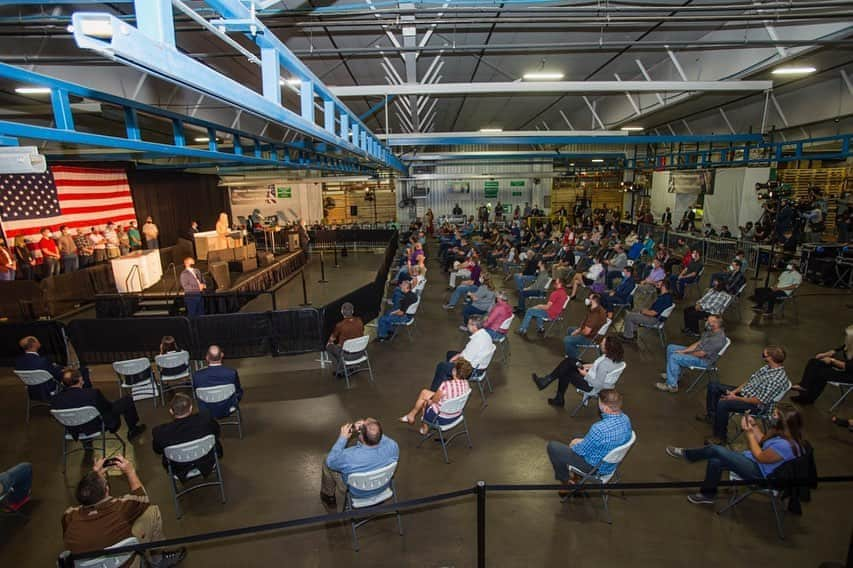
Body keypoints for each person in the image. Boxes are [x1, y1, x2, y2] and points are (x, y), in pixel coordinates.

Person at [667, 404, 803, 505]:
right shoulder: (783, 434)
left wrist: (749, 434)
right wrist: (754, 426)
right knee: (715, 460)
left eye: (775, 415)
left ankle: (686, 454)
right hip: (756, 464)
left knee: (716, 450)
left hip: (760, 475)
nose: (771, 416)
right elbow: (763, 441)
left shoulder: (785, 446)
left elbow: (760, 456)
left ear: (784, 421)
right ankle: (707, 495)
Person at [63, 456, 187, 567]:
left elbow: (87, 496)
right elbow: (143, 499)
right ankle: (157, 559)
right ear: (107, 490)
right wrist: (130, 471)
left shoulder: (69, 516)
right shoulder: (120, 509)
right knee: (152, 511)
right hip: (125, 563)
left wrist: (95, 475)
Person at [699, 345, 790, 445]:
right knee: (713, 386)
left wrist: (735, 398)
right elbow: (750, 381)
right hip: (748, 393)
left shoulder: (776, 379)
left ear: (770, 358)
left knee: (723, 403)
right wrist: (734, 392)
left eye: (764, 355)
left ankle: (720, 438)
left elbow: (759, 401)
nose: (762, 356)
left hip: (757, 406)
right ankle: (713, 416)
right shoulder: (768, 367)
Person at [546, 389, 632, 494]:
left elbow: (580, 451)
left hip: (595, 467)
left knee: (553, 447)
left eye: (599, 402)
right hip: (611, 461)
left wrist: (574, 444)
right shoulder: (626, 419)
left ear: (605, 408)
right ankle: (576, 477)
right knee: (578, 435)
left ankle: (566, 482)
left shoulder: (599, 429)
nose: (598, 405)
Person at [320, 418, 399, 508]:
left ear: (361, 437)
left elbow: (331, 462)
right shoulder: (393, 447)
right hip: (382, 488)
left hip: (357, 493)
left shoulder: (348, 457)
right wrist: (371, 429)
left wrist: (342, 438)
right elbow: (379, 436)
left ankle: (328, 495)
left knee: (326, 460)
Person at [52, 368, 147, 440]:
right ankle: (133, 430)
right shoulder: (92, 393)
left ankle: (87, 444)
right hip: (97, 425)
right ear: (80, 379)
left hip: (74, 430)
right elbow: (107, 408)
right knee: (127, 400)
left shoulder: (56, 399)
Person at [533, 336, 625, 407]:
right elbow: (597, 365)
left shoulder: (605, 364)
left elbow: (598, 384)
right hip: (594, 375)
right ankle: (550, 385)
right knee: (570, 361)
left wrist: (584, 374)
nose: (601, 343)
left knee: (566, 370)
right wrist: (584, 366)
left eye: (603, 343)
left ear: (608, 348)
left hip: (591, 386)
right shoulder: (616, 358)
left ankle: (551, 387)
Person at [152, 393, 222, 482]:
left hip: (178, 468)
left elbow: (157, 450)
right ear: (191, 408)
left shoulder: (160, 433)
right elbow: (217, 433)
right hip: (207, 461)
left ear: (171, 411)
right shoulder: (206, 420)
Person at [656, 314, 727, 393]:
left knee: (674, 357)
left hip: (704, 360)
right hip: (698, 352)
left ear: (716, 324)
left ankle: (671, 385)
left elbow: (701, 354)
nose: (707, 322)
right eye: (707, 320)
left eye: (709, 321)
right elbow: (698, 343)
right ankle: (676, 374)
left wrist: (685, 354)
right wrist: (684, 351)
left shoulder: (718, 339)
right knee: (671, 348)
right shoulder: (711, 331)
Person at [400, 358, 473, 434]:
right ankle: (411, 415)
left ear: (454, 371)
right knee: (424, 393)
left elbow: (434, 400)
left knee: (425, 401)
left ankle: (424, 429)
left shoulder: (446, 385)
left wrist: (429, 401)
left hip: (441, 418)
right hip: (456, 415)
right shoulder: (466, 384)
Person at [790, 324, 853, 404]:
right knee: (814, 362)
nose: (845, 337)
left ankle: (807, 397)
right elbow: (839, 349)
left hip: (850, 375)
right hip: (844, 366)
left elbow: (849, 367)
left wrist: (832, 360)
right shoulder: (849, 344)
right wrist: (825, 354)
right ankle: (803, 386)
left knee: (822, 373)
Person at [15, 335, 91, 398]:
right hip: (49, 388)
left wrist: (56, 367)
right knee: (82, 371)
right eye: (37, 340)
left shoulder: (18, 361)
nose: (39, 342)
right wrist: (65, 369)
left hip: (33, 390)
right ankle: (85, 397)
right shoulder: (42, 361)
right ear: (34, 344)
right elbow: (57, 374)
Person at [430, 315, 492, 390]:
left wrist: (453, 360)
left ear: (474, 327)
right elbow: (467, 353)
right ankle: (450, 380)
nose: (467, 325)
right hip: (479, 365)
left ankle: (434, 391)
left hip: (472, 370)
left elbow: (465, 360)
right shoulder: (485, 335)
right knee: (450, 353)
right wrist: (456, 357)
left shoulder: (476, 341)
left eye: (469, 324)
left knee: (441, 366)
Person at [193, 345, 243, 419]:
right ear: (222, 355)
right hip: (228, 407)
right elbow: (238, 391)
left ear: (207, 357)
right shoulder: (231, 373)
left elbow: (196, 393)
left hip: (206, 410)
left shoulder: (197, 376)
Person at [563, 293, 607, 359]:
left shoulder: (595, 315)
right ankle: (572, 349)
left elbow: (586, 332)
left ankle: (574, 357)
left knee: (567, 339)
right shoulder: (599, 308)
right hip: (595, 333)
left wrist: (577, 333)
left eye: (589, 298)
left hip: (590, 338)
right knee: (570, 329)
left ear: (593, 301)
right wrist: (579, 329)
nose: (587, 300)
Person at [325, 302, 365, 375]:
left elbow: (332, 338)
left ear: (341, 312)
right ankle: (353, 366)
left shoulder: (340, 325)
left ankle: (340, 370)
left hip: (347, 356)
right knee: (341, 347)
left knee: (328, 347)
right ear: (353, 311)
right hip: (360, 353)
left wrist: (329, 342)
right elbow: (362, 331)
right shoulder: (360, 320)